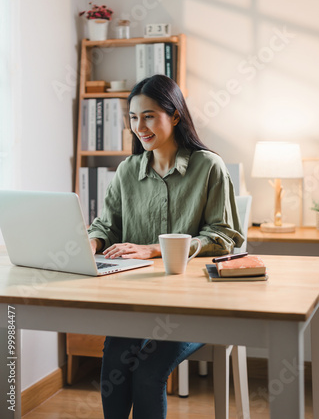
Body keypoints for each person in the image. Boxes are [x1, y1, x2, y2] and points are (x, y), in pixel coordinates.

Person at [88, 74, 244, 419]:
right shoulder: (128, 170)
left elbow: (225, 236)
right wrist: (92, 242)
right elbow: (107, 224)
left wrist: (154, 249)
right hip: (139, 303)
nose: (139, 126)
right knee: (113, 361)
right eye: (133, 117)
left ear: (175, 116)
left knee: (147, 372)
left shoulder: (208, 167)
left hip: (197, 307)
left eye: (149, 116)